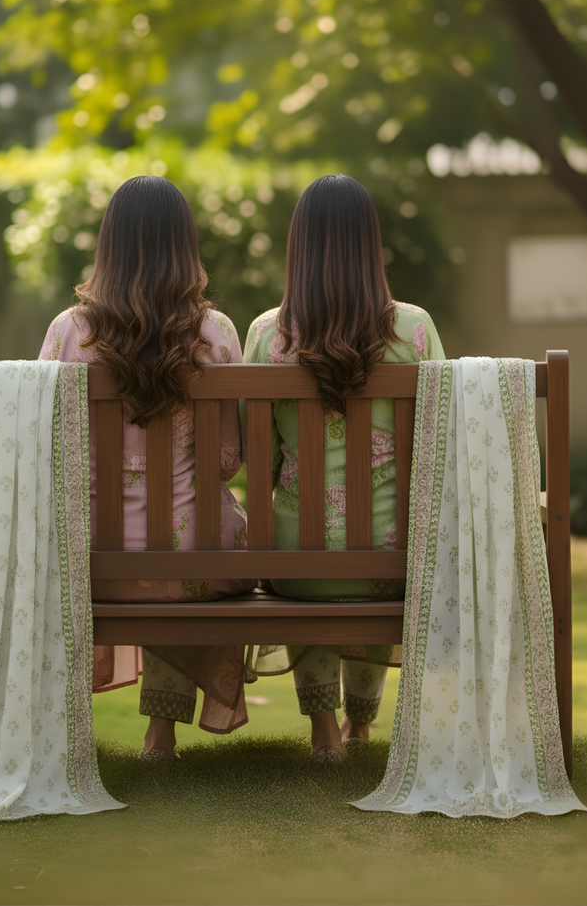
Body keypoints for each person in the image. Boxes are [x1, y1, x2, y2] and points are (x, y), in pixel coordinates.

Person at [39, 175, 251, 758]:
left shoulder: (68, 332)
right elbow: (228, 462)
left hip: (93, 563)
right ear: (186, 247)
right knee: (208, 529)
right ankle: (161, 731)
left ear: (109, 247)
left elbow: (50, 454)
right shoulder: (216, 333)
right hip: (199, 565)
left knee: (171, 540)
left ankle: (95, 731)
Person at [242, 175, 444, 761]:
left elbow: (252, 456)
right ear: (370, 246)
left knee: (310, 540)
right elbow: (440, 442)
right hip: (391, 561)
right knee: (380, 540)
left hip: (293, 564)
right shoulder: (414, 330)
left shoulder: (266, 334)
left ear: (298, 249)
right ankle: (360, 723)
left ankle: (323, 727)